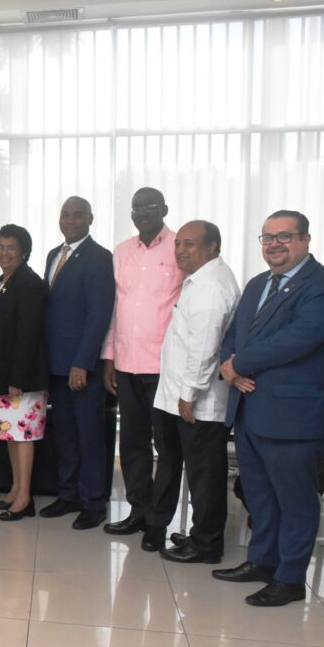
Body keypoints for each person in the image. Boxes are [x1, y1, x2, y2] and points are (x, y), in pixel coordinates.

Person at [214, 210, 324, 607]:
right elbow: (233, 335)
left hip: (295, 416)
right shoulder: (258, 284)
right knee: (259, 496)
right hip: (251, 409)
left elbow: (298, 339)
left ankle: (289, 578)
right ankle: (262, 561)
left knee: (295, 500)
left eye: (284, 236)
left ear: (306, 239)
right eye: (267, 237)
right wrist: (228, 367)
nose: (274, 244)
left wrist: (240, 364)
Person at [141, 220, 240, 563]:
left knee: (204, 476)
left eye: (190, 244)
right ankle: (176, 531)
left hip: (195, 401)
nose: (180, 250)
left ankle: (207, 544)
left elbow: (204, 347)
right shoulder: (198, 280)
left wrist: (188, 394)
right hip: (176, 396)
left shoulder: (211, 286)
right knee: (171, 462)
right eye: (178, 243)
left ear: (212, 247)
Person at [101, 187, 182, 536]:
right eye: (136, 207)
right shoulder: (121, 252)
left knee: (166, 446)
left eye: (149, 206)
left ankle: (158, 521)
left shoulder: (181, 246)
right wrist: (109, 358)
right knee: (132, 442)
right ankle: (137, 510)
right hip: (126, 362)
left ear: (164, 208)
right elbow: (116, 307)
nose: (142, 212)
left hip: (165, 366)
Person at [40, 196, 116, 530]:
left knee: (89, 435)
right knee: (65, 434)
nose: (70, 220)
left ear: (90, 219)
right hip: (55, 363)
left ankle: (93, 502)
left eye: (77, 215)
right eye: (65, 214)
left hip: (81, 367)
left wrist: (82, 363)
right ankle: (68, 494)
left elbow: (99, 314)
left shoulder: (100, 258)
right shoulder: (53, 255)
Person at [0, 225, 50, 522]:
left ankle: (24, 499)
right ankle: (15, 490)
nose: (4, 252)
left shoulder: (30, 284)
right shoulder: (2, 280)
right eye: (0, 246)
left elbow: (28, 335)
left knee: (22, 437)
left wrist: (17, 380)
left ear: (24, 251)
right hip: (2, 371)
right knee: (10, 433)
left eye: (11, 247)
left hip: (21, 378)